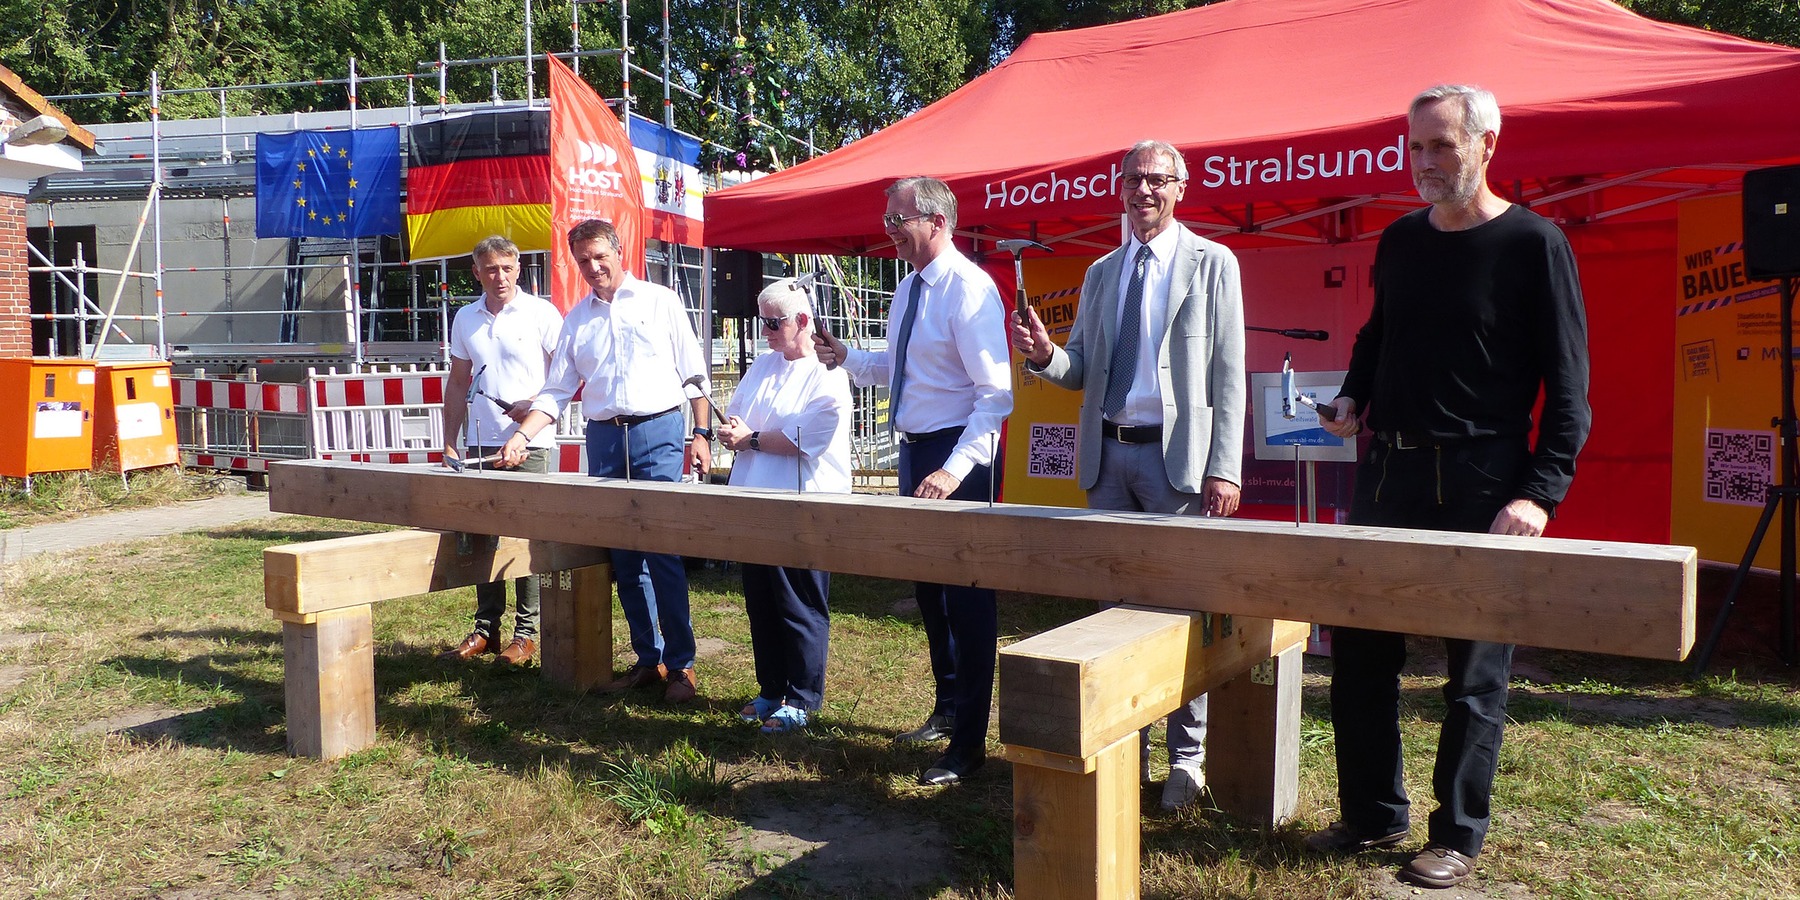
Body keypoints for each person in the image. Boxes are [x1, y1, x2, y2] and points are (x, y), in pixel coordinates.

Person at [1306, 85, 1591, 890]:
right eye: (1414, 147)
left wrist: (1539, 492)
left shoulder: (1535, 243)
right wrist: (1354, 397)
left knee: (1474, 674)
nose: (1424, 163)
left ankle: (1457, 834)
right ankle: (1371, 813)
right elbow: (1377, 335)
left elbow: (1570, 389)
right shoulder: (1398, 240)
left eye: (1441, 146)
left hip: (1482, 479)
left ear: (1487, 144)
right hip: (1388, 471)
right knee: (1359, 653)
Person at [1009, 139, 1246, 811]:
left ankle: (1188, 761)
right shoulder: (1103, 271)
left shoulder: (1213, 264)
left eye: (1157, 180)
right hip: (1107, 458)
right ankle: (1124, 747)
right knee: (1111, 614)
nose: (1144, 190)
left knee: (1181, 613)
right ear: (1120, 188)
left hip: (1177, 466)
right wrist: (1047, 353)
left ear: (1181, 187)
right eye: (1134, 179)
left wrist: (1223, 469)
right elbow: (1080, 367)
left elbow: (1229, 375)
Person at [813, 176, 1013, 786]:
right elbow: (901, 371)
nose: (889, 229)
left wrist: (954, 470)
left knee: (969, 599)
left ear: (937, 221)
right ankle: (948, 707)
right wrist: (847, 357)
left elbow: (995, 396)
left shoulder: (970, 289)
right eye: (888, 219)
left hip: (957, 459)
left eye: (898, 220)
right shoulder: (908, 289)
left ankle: (970, 745)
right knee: (930, 591)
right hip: (915, 453)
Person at [511, 218, 714, 703]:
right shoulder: (576, 320)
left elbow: (694, 374)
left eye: (600, 256)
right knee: (622, 556)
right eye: (583, 260)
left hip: (659, 432)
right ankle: (649, 659)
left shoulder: (660, 301)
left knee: (662, 550)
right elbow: (557, 391)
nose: (593, 267)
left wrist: (702, 434)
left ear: (620, 251)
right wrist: (521, 436)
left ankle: (681, 667)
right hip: (604, 439)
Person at [716, 277, 853, 734]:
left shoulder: (828, 372)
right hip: (756, 498)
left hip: (804, 504)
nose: (767, 332)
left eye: (774, 323)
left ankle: (804, 695)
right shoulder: (764, 365)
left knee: (800, 602)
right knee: (761, 601)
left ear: (802, 320)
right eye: (763, 322)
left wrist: (751, 438)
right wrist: (737, 431)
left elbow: (808, 439)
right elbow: (740, 413)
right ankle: (772, 687)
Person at [437, 235, 565, 667]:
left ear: (519, 269)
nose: (500, 277)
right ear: (477, 273)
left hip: (532, 441)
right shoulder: (465, 318)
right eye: (491, 269)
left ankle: (526, 633)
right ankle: (486, 628)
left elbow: (567, 377)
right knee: (481, 536)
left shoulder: (541, 313)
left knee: (526, 538)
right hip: (480, 443)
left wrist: (532, 412)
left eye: (507, 268)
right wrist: (450, 440)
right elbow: (457, 381)